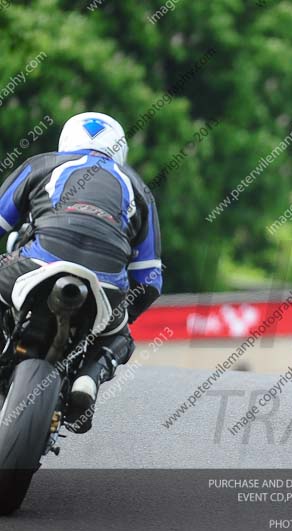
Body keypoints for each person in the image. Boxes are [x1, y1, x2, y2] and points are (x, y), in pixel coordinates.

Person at [0, 112, 162, 433]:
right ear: (121, 151)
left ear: (66, 141)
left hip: (37, 263)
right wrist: (120, 318)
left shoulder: (40, 164)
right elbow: (151, 279)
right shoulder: (140, 189)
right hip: (106, 284)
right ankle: (91, 375)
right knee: (121, 336)